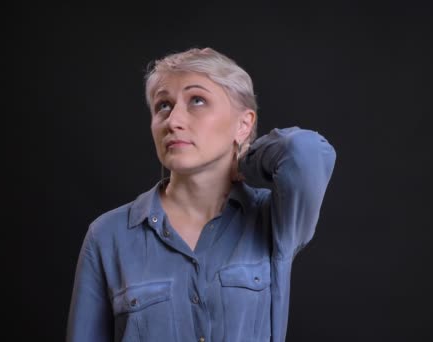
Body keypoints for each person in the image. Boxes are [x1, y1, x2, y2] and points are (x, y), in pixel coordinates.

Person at [66, 47, 336, 342]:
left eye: (197, 100)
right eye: (163, 106)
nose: (173, 120)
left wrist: (244, 160)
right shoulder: (108, 235)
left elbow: (305, 152)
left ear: (243, 123)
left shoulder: (273, 219)